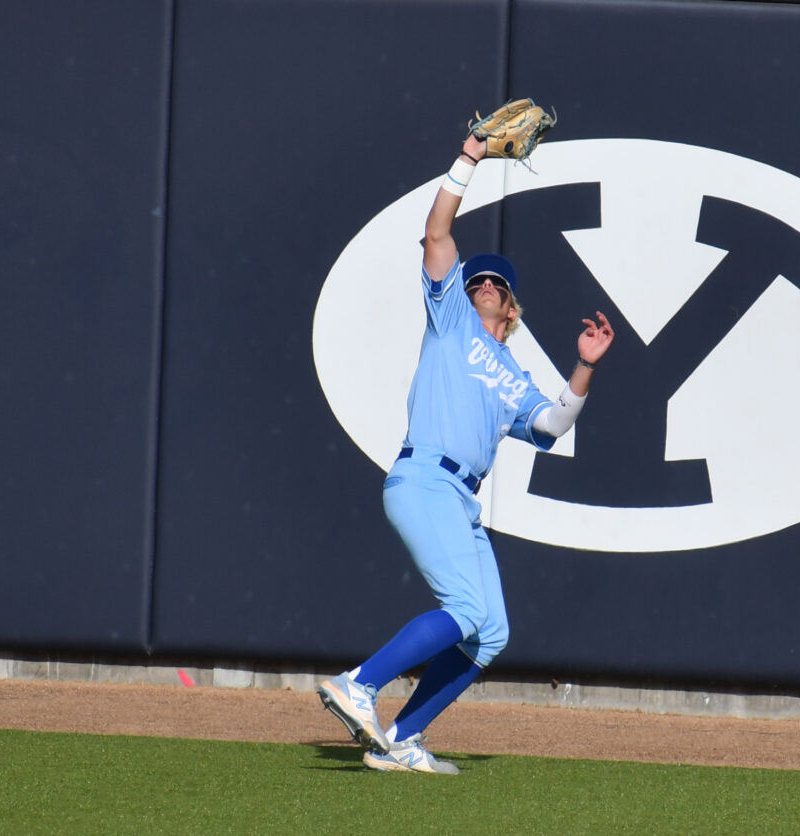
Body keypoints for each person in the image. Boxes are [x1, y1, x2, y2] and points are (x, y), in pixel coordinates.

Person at [317, 127, 614, 775]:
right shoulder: (450, 322)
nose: (483, 286)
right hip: (423, 479)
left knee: (491, 633)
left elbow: (555, 424)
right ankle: (359, 684)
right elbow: (436, 234)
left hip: (459, 500)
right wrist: (469, 159)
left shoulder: (514, 377)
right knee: (465, 610)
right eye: (476, 280)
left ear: (511, 308)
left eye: (495, 286)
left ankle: (402, 737)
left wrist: (584, 368)